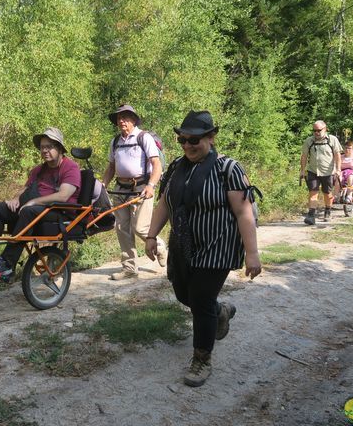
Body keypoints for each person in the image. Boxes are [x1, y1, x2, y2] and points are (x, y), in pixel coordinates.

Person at [145, 110, 261, 387]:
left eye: (194, 139)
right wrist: (151, 236)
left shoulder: (228, 169)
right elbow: (164, 204)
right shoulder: (176, 166)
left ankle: (201, 359)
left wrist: (252, 252)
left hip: (217, 246)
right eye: (182, 139)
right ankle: (219, 311)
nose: (187, 145)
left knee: (199, 298)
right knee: (184, 294)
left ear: (211, 137)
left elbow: (244, 212)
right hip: (183, 245)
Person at [0, 127, 81, 280]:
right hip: (35, 210)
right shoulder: (38, 170)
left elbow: (63, 195)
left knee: (28, 211)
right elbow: (25, 189)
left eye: (49, 147)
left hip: (59, 211)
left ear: (59, 148)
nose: (45, 150)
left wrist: (33, 202)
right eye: (42, 147)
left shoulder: (70, 167)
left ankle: (6, 264)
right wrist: (15, 199)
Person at [101, 104, 167, 280]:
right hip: (120, 189)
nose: (121, 120)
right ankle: (129, 268)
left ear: (134, 120)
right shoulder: (115, 141)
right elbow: (111, 167)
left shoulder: (143, 137)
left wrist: (151, 186)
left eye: (125, 117)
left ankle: (160, 247)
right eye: (119, 118)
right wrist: (103, 184)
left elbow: (156, 164)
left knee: (140, 227)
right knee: (122, 228)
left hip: (141, 188)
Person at [299, 120, 342, 225]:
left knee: (327, 193)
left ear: (325, 129)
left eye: (319, 130)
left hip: (328, 171)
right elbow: (304, 156)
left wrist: (338, 169)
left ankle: (327, 211)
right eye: (314, 130)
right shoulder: (309, 141)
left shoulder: (332, 140)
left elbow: (337, 155)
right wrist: (302, 170)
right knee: (313, 193)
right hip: (313, 171)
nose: (316, 132)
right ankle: (311, 215)